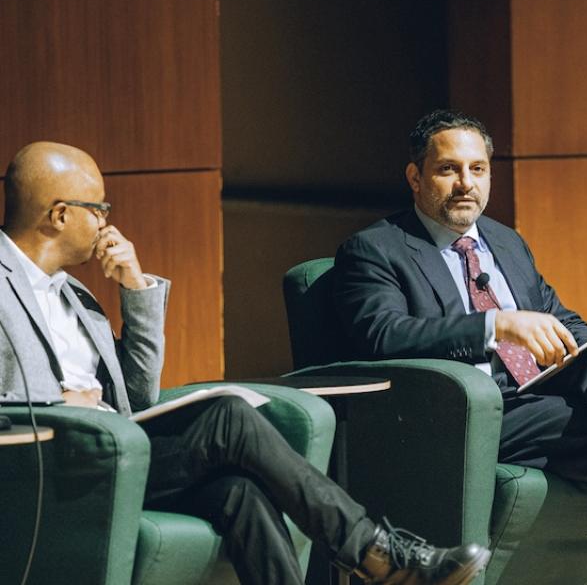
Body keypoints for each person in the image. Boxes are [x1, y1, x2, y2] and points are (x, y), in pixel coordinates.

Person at [0, 141, 490, 585]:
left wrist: (136, 292)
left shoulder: (78, 296)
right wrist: (54, 403)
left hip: (120, 452)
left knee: (240, 494)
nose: (108, 222)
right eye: (99, 209)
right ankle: (374, 552)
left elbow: (139, 396)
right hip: (52, 463)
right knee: (229, 416)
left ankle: (375, 555)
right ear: (59, 215)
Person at [332, 110, 587, 585]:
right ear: (415, 177)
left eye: (478, 169)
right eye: (448, 169)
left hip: (536, 388)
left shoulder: (505, 241)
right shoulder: (376, 248)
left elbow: (558, 315)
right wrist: (494, 325)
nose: (465, 183)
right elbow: (383, 335)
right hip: (465, 409)